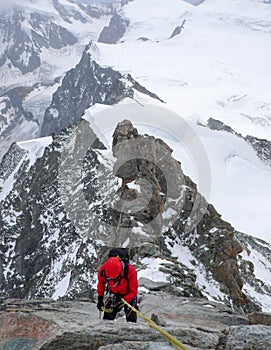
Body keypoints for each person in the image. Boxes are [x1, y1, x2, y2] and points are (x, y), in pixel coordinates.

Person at [97, 253, 138, 322]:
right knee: (107, 318)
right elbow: (101, 282)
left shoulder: (130, 271)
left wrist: (124, 300)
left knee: (131, 318)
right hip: (114, 294)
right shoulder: (104, 270)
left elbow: (133, 291)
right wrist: (100, 298)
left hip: (128, 295)